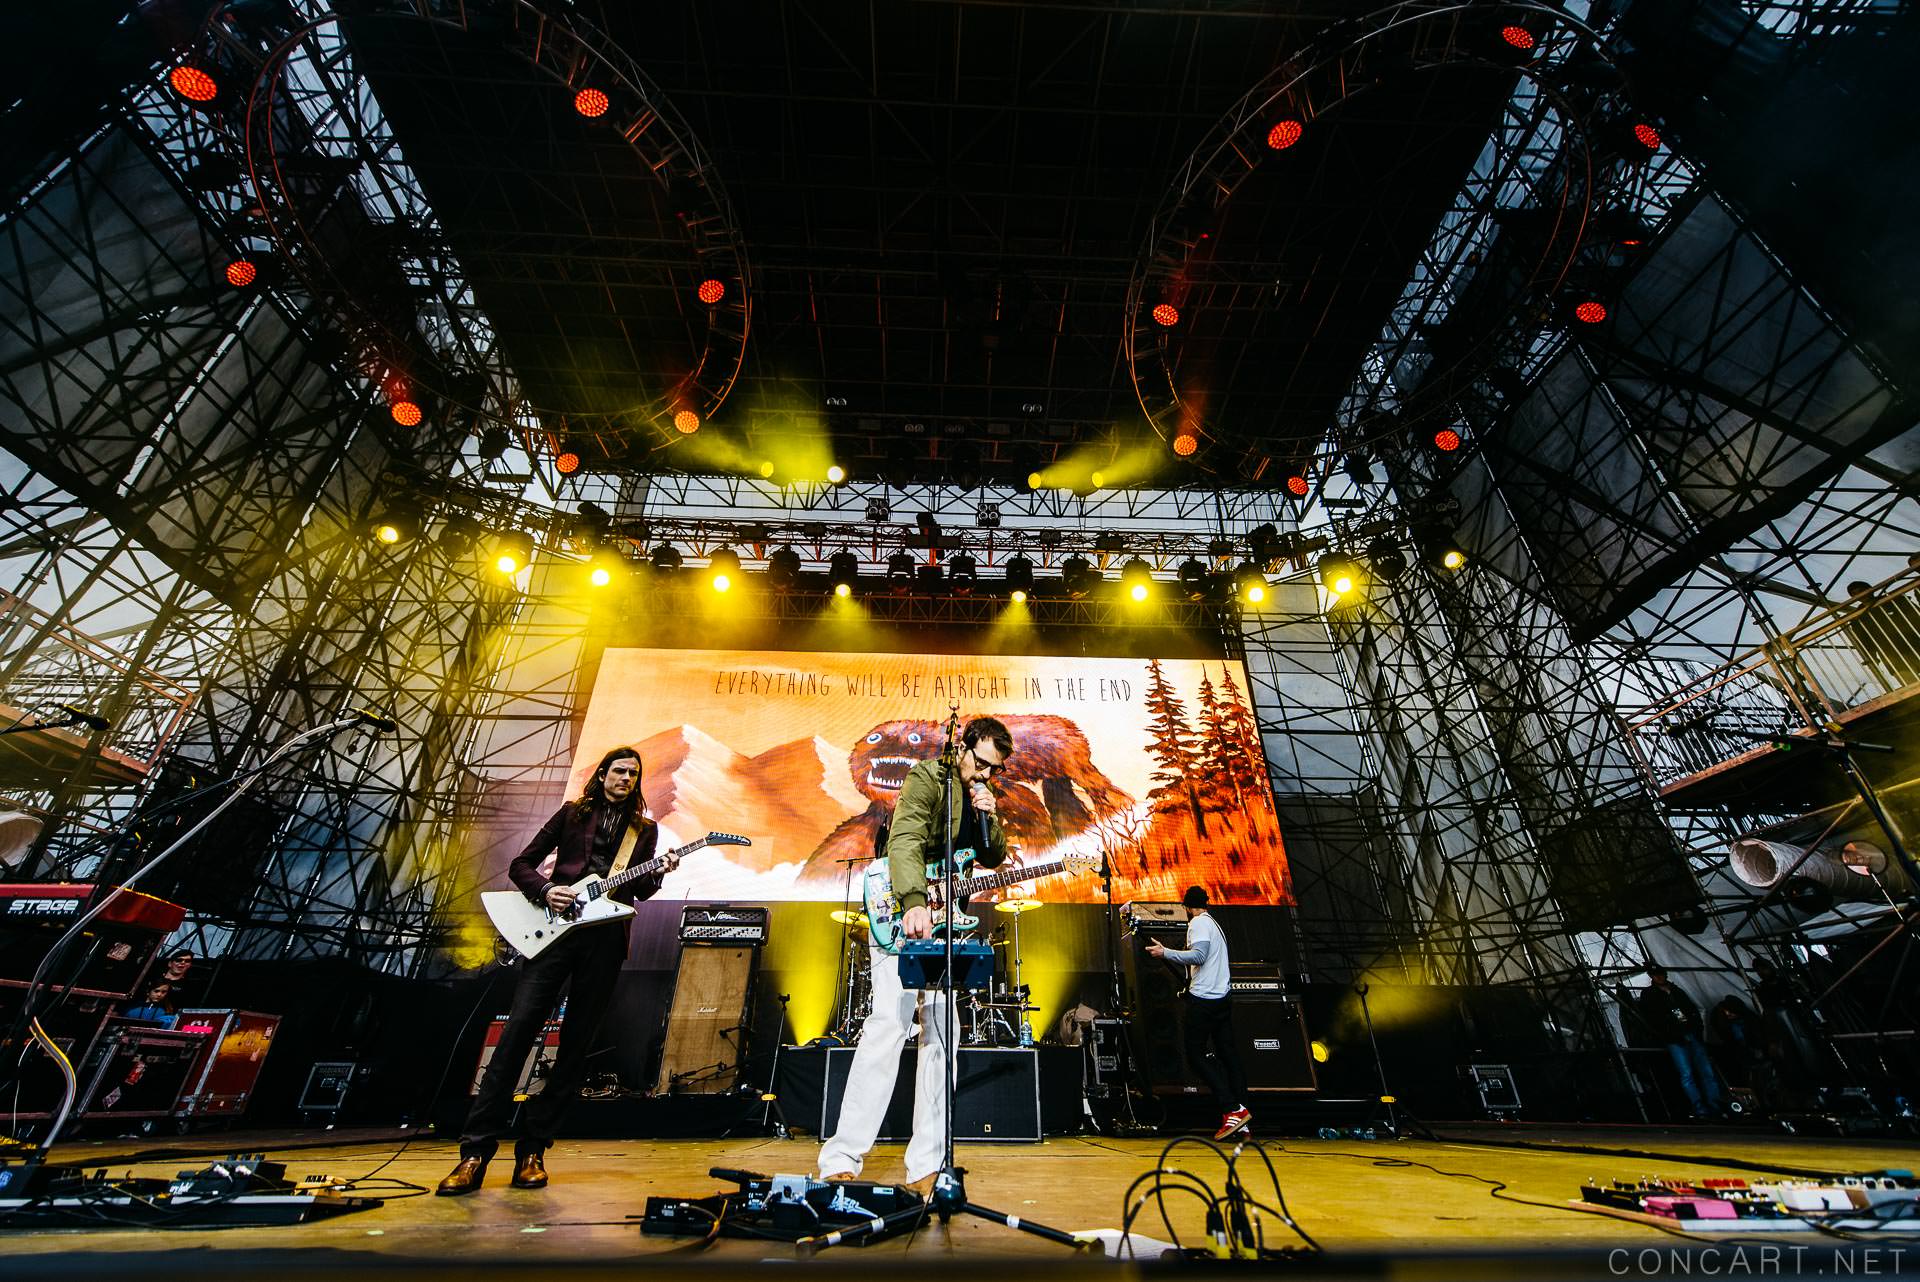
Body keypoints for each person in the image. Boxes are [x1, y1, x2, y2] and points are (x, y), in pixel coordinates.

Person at [437, 746, 673, 1196]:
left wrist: (659, 872)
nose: (625, 778)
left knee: (575, 1048)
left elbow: (639, 890)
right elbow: (520, 864)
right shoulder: (572, 813)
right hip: (554, 936)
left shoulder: (645, 830)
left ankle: (533, 1151)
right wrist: (548, 890)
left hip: (604, 942)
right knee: (516, 1037)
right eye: (619, 770)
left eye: (633, 774)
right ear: (603, 773)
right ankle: (474, 1153)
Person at [817, 716, 1013, 1194]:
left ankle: (927, 1164)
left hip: (949, 923)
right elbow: (904, 838)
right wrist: (914, 902)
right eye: (982, 764)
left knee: (943, 1036)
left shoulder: (982, 794)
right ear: (962, 748)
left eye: (996, 770)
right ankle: (840, 1159)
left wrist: (988, 813)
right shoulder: (929, 778)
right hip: (903, 911)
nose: (987, 774)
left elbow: (989, 859)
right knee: (887, 1026)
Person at [1148, 885, 1251, 1141]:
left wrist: (1165, 953)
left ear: (1187, 907)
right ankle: (1243, 1122)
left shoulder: (1198, 924)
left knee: (1195, 1055)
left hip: (1205, 1001)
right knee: (1229, 1056)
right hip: (1222, 999)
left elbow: (1199, 955)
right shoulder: (1214, 924)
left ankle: (1232, 1109)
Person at [1639, 965, 1726, 1120]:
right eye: (1655, 975)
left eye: (1660, 974)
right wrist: (1670, 1034)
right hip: (1675, 1038)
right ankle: (1701, 1107)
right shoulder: (1650, 995)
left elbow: (1691, 1010)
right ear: (1652, 976)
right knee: (1688, 1074)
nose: (1658, 977)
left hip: (1690, 1034)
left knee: (1704, 1072)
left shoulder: (1676, 991)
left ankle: (1714, 1105)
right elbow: (1652, 1019)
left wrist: (1697, 1029)